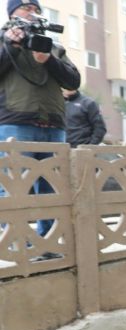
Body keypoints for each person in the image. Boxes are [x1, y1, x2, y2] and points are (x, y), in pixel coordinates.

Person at [0, 0, 80, 240]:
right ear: (11, 13)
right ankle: (14, 245)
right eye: (26, 8)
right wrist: (12, 46)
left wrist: (49, 60)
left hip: (53, 125)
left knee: (53, 190)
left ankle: (50, 244)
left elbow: (73, 81)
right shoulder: (3, 42)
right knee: (13, 188)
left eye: (36, 10)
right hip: (15, 123)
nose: (32, 13)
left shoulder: (53, 46)